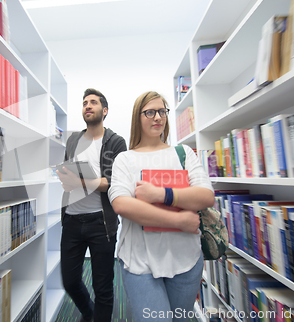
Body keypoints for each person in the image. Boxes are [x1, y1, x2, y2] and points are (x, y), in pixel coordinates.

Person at [108, 91, 215, 322]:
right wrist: (178, 220)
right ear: (138, 117)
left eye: (162, 111)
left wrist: (160, 194)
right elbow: (121, 204)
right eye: (150, 112)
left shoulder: (183, 153)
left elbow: (206, 196)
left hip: (186, 259)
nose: (158, 117)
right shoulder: (124, 159)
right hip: (140, 261)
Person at [57, 88, 127, 322]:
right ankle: (89, 313)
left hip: (101, 223)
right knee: (70, 281)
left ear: (104, 110)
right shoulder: (73, 139)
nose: (88, 105)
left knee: (103, 287)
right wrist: (68, 180)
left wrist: (81, 181)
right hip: (72, 221)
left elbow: (116, 182)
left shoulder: (116, 142)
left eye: (93, 102)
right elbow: (69, 173)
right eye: (85, 102)